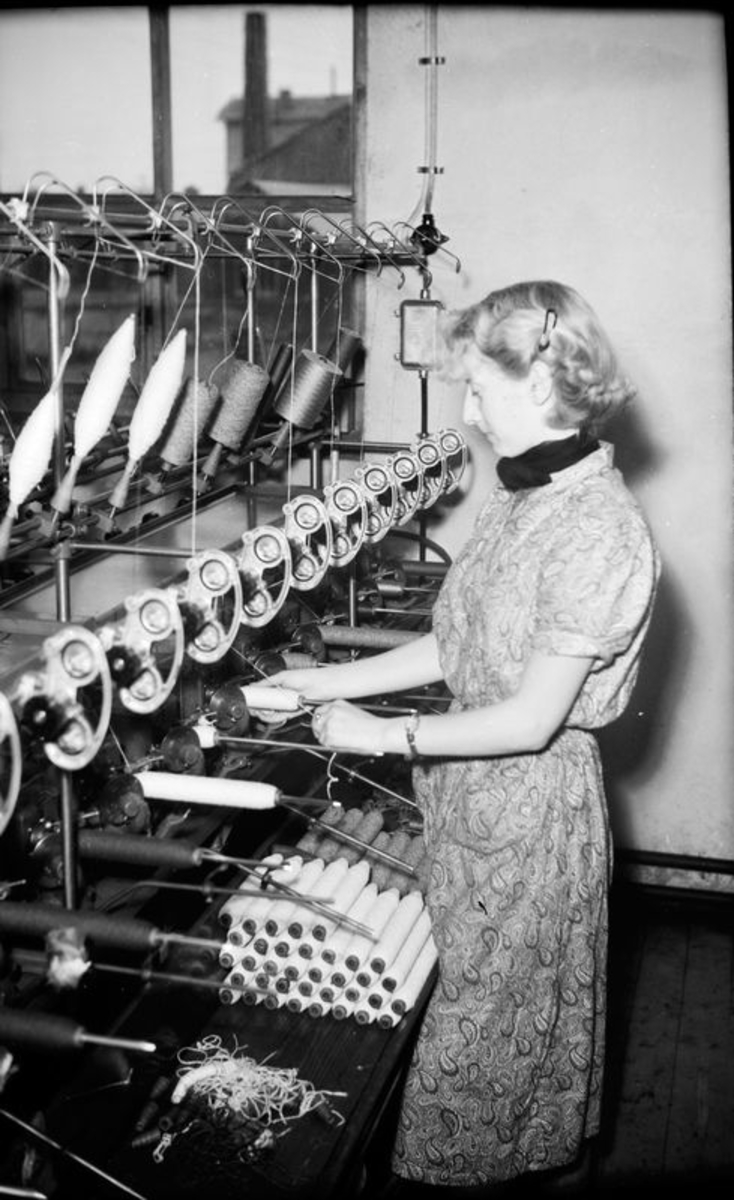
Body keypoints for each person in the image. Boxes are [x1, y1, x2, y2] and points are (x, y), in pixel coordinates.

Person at [255, 281, 660, 1196]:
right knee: (481, 1038)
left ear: (542, 385)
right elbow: (457, 643)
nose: (468, 414)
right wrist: (322, 681)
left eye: (478, 389)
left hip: (531, 818)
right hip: (469, 799)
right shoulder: (524, 497)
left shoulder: (600, 527)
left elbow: (531, 718)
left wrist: (382, 735)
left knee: (480, 1065)